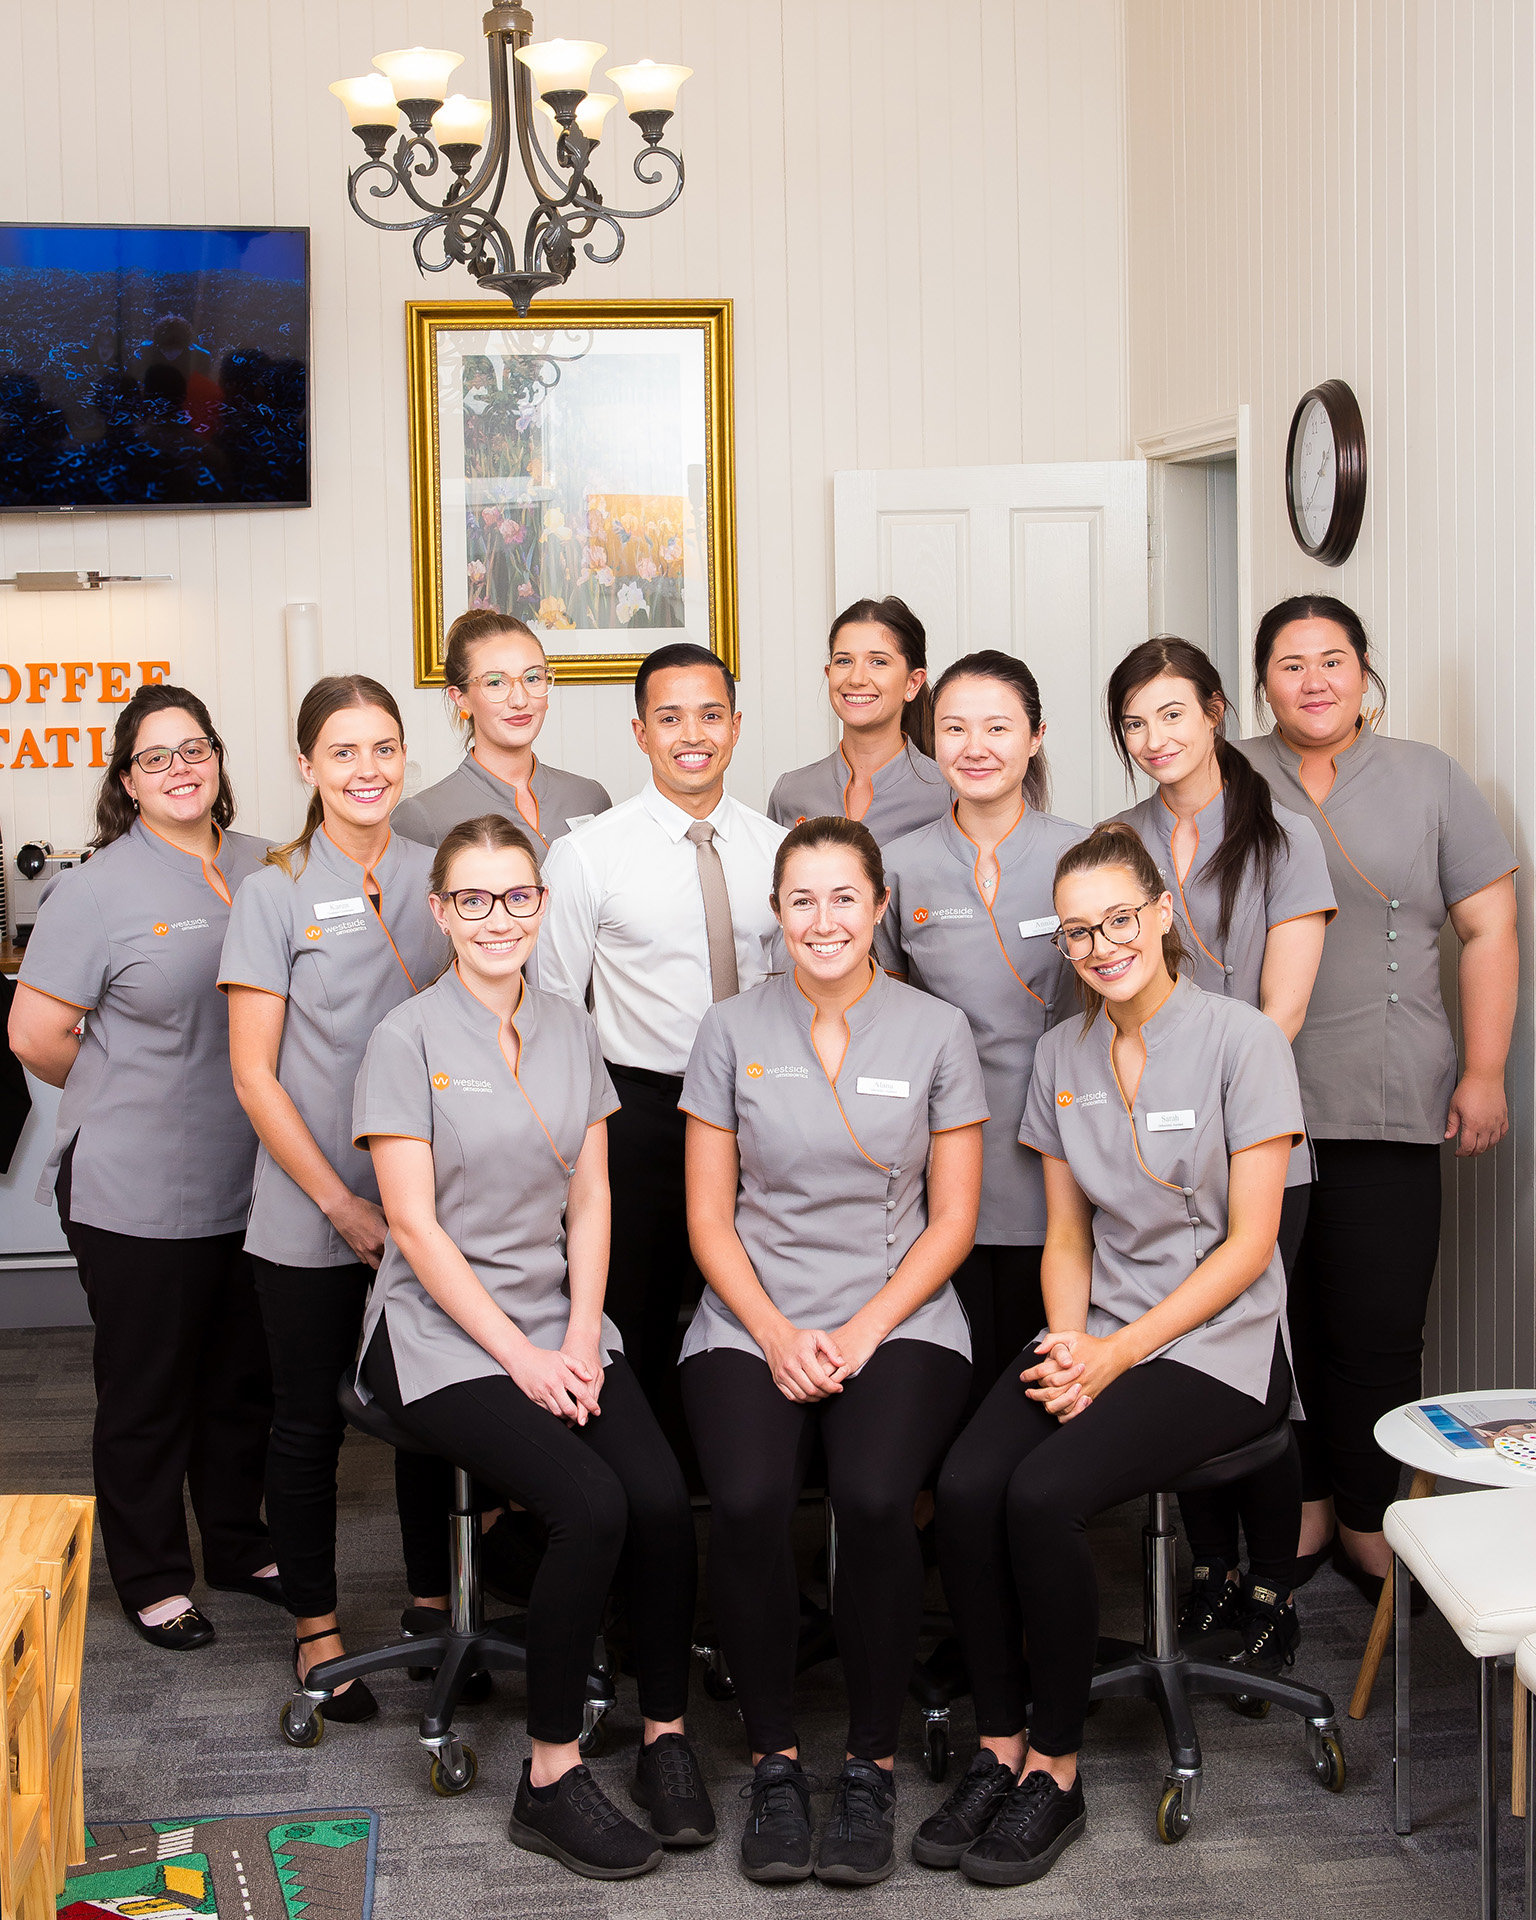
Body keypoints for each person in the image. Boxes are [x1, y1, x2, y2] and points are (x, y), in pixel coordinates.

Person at [922, 823, 1303, 1888]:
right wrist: (1068, 1343)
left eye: (1119, 921)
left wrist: (1119, 1353)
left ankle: (1057, 1767)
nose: (1100, 945)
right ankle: (998, 1744)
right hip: (1100, 1330)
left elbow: (1252, 1244)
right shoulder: (1061, 1055)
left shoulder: (1241, 1040)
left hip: (1213, 1345)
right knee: (963, 1486)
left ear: (1164, 912)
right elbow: (1067, 1237)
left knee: (1041, 1499)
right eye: (1079, 931)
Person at [356, 814, 710, 1882]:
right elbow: (413, 1228)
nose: (497, 918)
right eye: (473, 899)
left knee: (659, 1496)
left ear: (542, 907)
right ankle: (550, 1776)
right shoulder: (405, 1039)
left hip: (558, 1323)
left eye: (517, 897)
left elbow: (592, 1199)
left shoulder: (569, 1025)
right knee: (589, 1506)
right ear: (440, 912)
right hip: (436, 1334)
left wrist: (577, 1337)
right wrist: (523, 1356)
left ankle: (664, 1737)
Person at [682, 816, 986, 1887]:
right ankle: (773, 1763)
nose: (823, 920)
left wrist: (859, 1332)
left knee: (869, 1497)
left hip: (897, 1314)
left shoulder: (937, 1029)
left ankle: (868, 1764)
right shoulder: (728, 1027)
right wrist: (773, 1333)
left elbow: (953, 1221)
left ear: (879, 907)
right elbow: (710, 1220)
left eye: (844, 898)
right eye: (801, 900)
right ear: (776, 913)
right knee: (753, 1499)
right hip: (750, 1312)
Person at [1238, 596, 1517, 1599]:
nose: (1314, 679)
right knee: (1276, 1329)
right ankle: (1307, 1504)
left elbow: (1489, 930)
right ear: (1260, 679)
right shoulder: (1231, 774)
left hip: (1392, 1090)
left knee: (1376, 1329)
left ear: (1364, 672)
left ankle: (1373, 1514)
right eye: (1289, 662)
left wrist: (1483, 1071)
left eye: (1334, 659)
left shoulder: (1430, 779)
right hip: (1255, 1100)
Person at [9, 684, 276, 1649]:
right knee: (149, 1387)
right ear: (127, 780)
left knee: (241, 1381)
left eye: (193, 748)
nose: (179, 769)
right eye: (155, 757)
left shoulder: (267, 866)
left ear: (218, 760)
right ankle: (154, 1571)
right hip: (136, 1186)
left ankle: (242, 1545)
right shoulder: (98, 888)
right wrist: (128, 1083)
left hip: (256, 1181)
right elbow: (34, 1033)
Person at [221, 674, 452, 1720]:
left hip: (433, 1215)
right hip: (314, 1213)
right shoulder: (273, 891)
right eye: (344, 752)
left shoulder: (440, 877)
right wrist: (344, 1207)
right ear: (307, 765)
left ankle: (433, 1607)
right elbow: (255, 1077)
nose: (368, 771)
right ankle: (316, 1624)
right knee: (310, 1422)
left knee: (433, 1413)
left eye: (385, 748)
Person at [1107, 635, 1335, 1663]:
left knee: (1251, 1371)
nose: (1156, 739)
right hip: (1142, 1153)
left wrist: (1203, 1107)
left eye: (1171, 715)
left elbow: (1279, 1011)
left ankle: (1273, 1587)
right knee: (1165, 1350)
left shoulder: (1284, 838)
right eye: (1134, 723)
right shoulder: (1119, 841)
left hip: (1254, 1145)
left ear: (1213, 712)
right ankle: (1210, 1575)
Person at [539, 642, 785, 1416]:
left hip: (762, 1105)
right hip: (640, 1112)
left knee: (764, 1304)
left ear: (737, 726)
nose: (692, 734)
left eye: (711, 715)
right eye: (669, 716)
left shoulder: (780, 854)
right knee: (635, 1317)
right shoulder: (586, 856)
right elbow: (551, 1004)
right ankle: (640, 1509)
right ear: (640, 732)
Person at [877, 650, 1084, 1403]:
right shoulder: (900, 865)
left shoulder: (1083, 854)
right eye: (955, 727)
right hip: (945, 1141)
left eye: (998, 727)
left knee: (1038, 1360)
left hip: (1064, 1135)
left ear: (1034, 738)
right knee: (953, 1369)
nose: (975, 746)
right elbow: (885, 1014)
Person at [391, 608, 611, 854]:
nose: (520, 699)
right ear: (460, 698)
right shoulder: (423, 819)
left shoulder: (590, 796)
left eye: (532, 678)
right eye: (495, 682)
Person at [768, 597, 949, 845]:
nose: (856, 678)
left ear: (912, 683)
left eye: (878, 662)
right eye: (844, 661)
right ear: (829, 674)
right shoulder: (790, 792)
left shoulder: (948, 793)